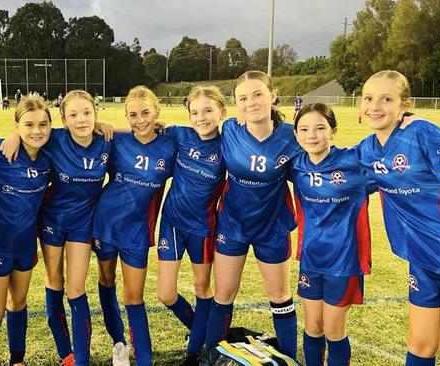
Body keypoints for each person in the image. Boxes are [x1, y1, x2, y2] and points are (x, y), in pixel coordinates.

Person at [0, 90, 114, 366]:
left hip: (83, 225)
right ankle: (66, 352)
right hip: (51, 222)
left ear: (95, 112)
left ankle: (81, 360)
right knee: (55, 283)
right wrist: (13, 134)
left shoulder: (105, 141)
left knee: (76, 289)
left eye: (86, 113)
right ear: (62, 119)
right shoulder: (55, 138)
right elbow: (30, 136)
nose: (81, 119)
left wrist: (106, 125)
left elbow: (131, 133)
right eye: (72, 114)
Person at [206, 71, 301, 360]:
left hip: (272, 228)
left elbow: (324, 155)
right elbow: (185, 134)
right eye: (243, 98)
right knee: (223, 295)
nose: (251, 102)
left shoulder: (293, 135)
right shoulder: (230, 131)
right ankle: (214, 355)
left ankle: (287, 357)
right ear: (236, 104)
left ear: (273, 96)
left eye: (258, 94)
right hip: (232, 225)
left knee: (280, 297)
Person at [356, 70, 440, 366]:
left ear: (404, 104)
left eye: (386, 98)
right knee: (420, 344)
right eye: (368, 98)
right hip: (422, 259)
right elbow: (330, 168)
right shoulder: (367, 150)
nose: (375, 106)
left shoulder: (422, 132)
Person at [92, 86, 177, 366]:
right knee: (107, 281)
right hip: (106, 223)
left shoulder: (169, 144)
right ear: (125, 116)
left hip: (138, 231)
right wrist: (103, 125)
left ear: (157, 111)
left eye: (146, 113)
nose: (140, 120)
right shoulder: (118, 140)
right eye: (133, 115)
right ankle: (119, 344)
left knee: (134, 296)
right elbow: (83, 130)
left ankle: (144, 358)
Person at [291, 103, 376, 366]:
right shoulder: (295, 165)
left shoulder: (354, 163)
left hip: (344, 262)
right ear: (295, 135)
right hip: (311, 258)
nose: (312, 135)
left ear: (333, 131)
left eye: (320, 128)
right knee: (313, 327)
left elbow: (389, 160)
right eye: (304, 129)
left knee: (333, 330)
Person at [0, 95, 52, 366]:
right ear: (16, 126)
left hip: (26, 244)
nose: (36, 131)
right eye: (28, 125)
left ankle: (17, 360)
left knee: (18, 303)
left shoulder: (49, 155)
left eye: (43, 124)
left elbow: (85, 132)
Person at [156, 86, 226, 365]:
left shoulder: (227, 144)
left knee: (202, 289)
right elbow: (142, 131)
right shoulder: (180, 134)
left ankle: (194, 352)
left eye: (208, 110)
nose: (201, 117)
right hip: (172, 223)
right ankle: (204, 330)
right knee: (165, 293)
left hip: (203, 228)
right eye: (195, 112)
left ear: (222, 112)